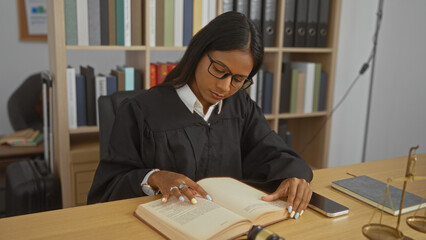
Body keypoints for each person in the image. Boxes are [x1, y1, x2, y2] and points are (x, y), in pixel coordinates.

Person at [88, 12, 313, 220]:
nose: (225, 87)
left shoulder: (240, 107)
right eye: (219, 70)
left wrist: (292, 180)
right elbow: (107, 187)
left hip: (228, 226)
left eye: (238, 79)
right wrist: (155, 177)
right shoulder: (140, 111)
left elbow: (276, 155)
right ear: (198, 53)